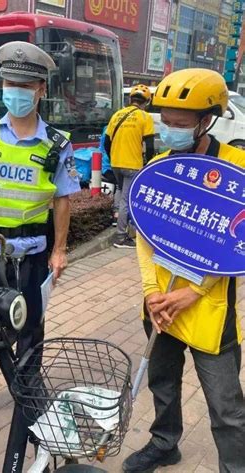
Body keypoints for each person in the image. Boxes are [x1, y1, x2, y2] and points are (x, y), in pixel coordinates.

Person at [0, 41, 80, 439]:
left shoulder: (57, 145)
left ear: (41, 90)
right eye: (10, 83)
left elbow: (62, 201)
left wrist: (59, 250)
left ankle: (26, 392)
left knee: (30, 328)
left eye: (25, 85)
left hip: (34, 256)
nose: (16, 91)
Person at [123, 69, 245, 473]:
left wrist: (192, 291)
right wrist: (149, 293)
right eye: (165, 122)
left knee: (226, 407)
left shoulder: (236, 168)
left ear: (206, 120)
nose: (169, 131)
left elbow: (235, 245)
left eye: (180, 124)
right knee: (163, 384)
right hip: (158, 306)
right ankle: (164, 443)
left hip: (209, 312)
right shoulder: (157, 168)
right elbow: (143, 238)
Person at [104, 84, 155, 248]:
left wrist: (114, 156)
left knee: (119, 190)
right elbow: (150, 145)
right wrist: (149, 162)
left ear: (130, 99)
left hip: (116, 162)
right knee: (128, 198)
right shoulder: (145, 117)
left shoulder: (117, 115)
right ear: (146, 102)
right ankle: (120, 236)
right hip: (133, 165)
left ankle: (116, 219)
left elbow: (106, 142)